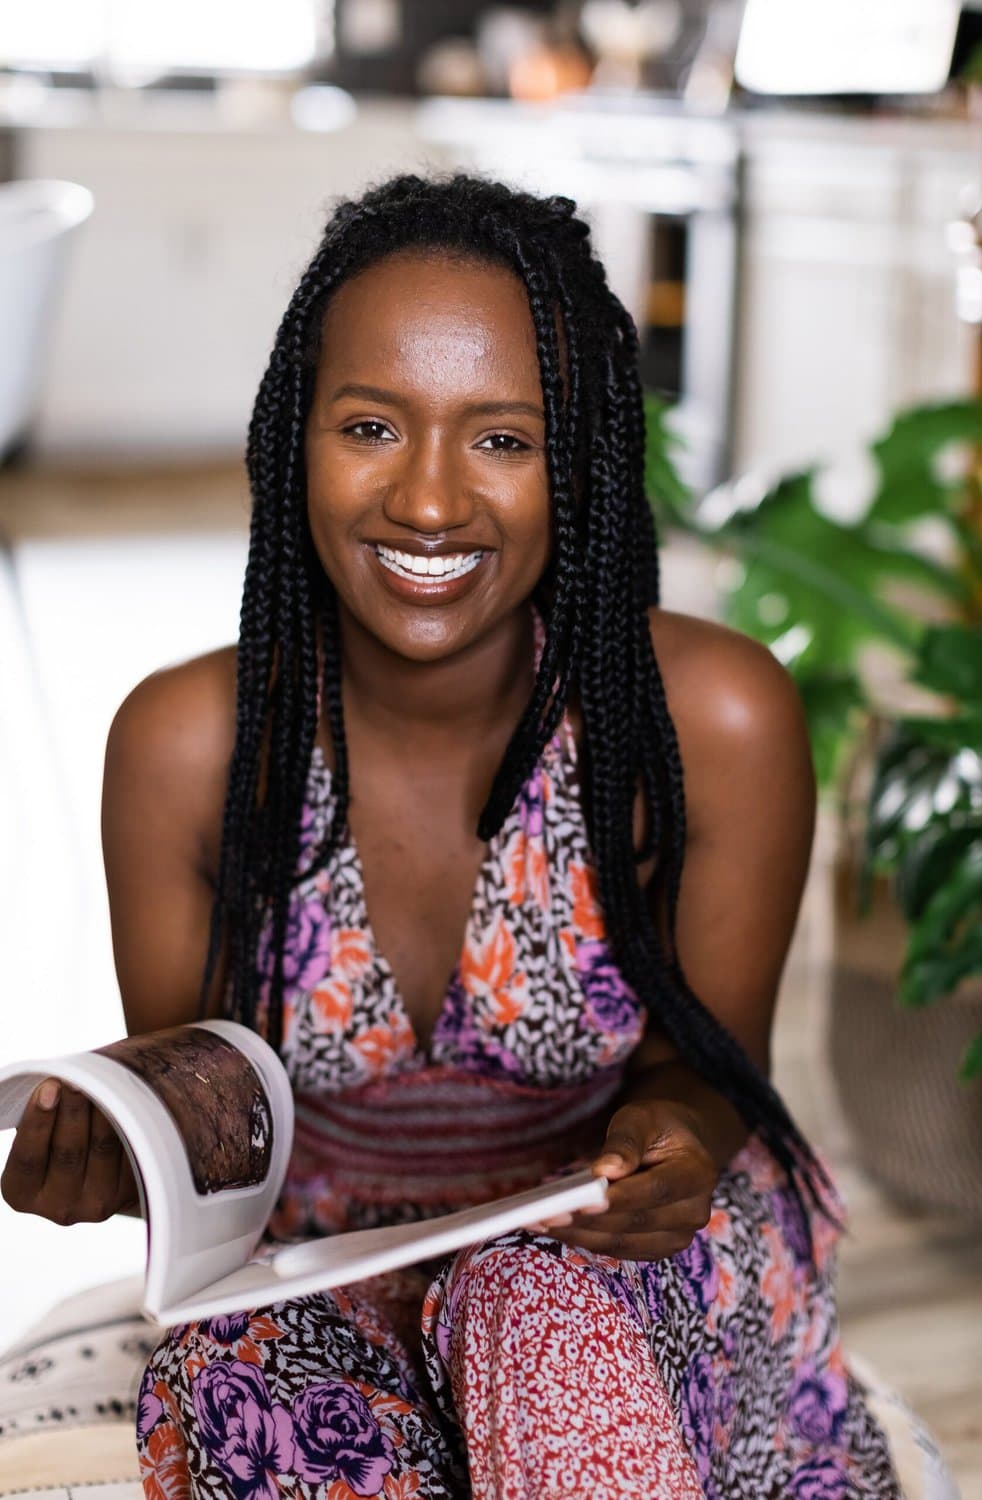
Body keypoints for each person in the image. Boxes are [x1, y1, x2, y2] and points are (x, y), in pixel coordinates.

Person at [2, 172, 907, 1498]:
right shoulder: (189, 745)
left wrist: (677, 1137)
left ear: (583, 465)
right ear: (289, 436)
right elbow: (210, 1127)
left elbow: (714, 1070)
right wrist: (112, 1150)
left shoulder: (707, 720)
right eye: (373, 424)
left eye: (503, 440)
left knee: (538, 1317)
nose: (429, 503)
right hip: (330, 1261)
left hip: (614, 1263)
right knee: (243, 1371)